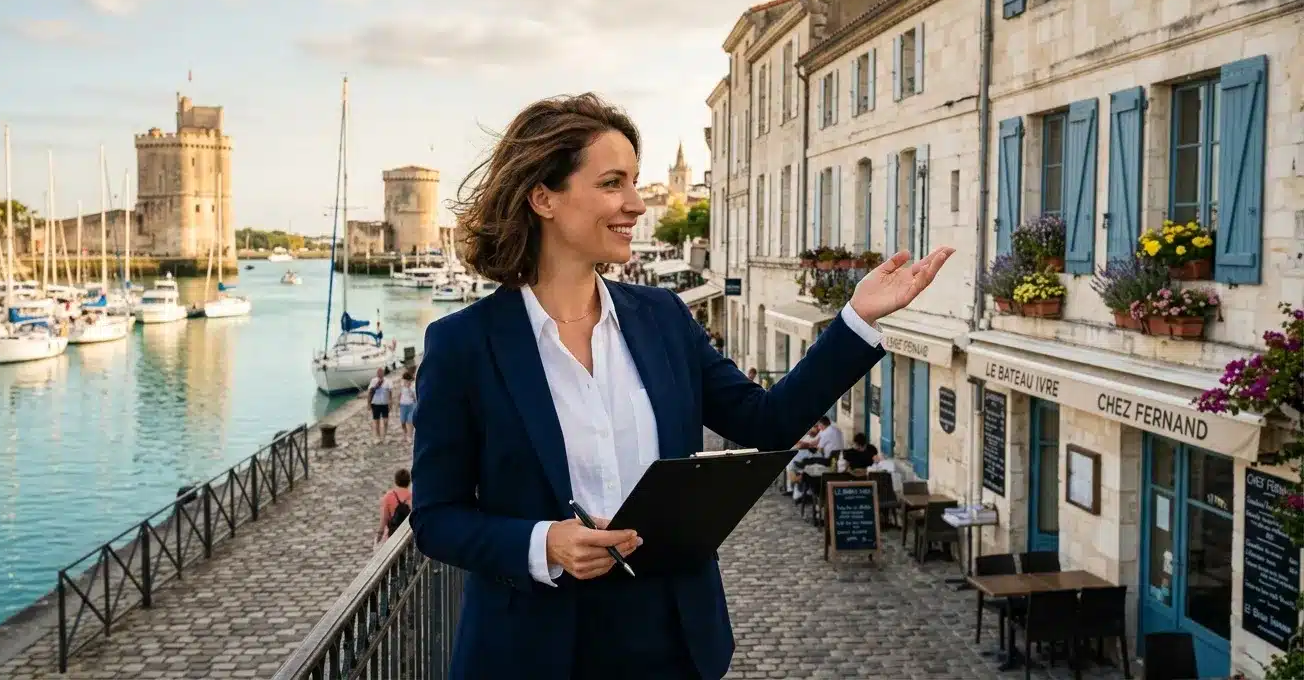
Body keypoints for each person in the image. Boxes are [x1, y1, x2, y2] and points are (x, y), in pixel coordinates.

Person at [408, 93, 953, 680]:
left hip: (672, 642)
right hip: (531, 649)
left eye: (636, 183)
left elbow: (763, 420)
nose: (636, 205)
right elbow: (437, 518)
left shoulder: (662, 316)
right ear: (544, 197)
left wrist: (856, 320)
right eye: (613, 183)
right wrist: (544, 544)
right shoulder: (463, 344)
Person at [376, 468, 412, 544]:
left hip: (393, 535)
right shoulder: (413, 497)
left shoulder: (388, 496)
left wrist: (379, 535)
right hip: (409, 537)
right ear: (409, 482)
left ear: (396, 481)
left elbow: (384, 519)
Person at [367, 368, 391, 444]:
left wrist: (390, 402)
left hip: (385, 404)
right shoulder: (373, 381)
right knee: (376, 421)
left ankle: (384, 436)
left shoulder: (388, 381)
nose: (380, 373)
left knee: (385, 421)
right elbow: (370, 392)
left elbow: (390, 393)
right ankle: (377, 437)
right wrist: (368, 403)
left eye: (381, 372)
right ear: (377, 373)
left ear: (383, 373)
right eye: (378, 372)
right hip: (375, 404)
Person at [397, 368, 417, 439]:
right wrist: (398, 403)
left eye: (408, 381)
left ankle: (409, 436)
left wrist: (410, 390)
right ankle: (405, 433)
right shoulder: (402, 386)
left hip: (411, 405)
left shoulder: (412, 387)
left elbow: (414, 398)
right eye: (405, 380)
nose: (407, 382)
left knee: (410, 421)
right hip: (403, 405)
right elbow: (399, 394)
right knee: (403, 421)